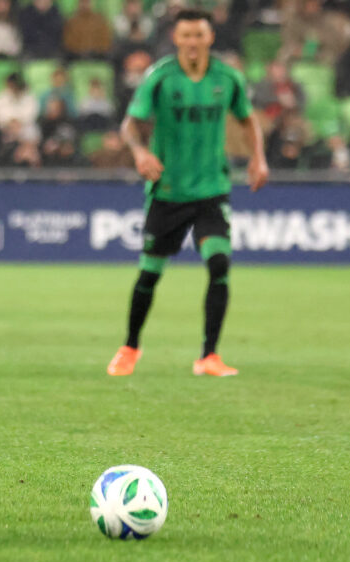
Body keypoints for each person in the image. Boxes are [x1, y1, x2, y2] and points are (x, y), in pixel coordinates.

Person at [107, 9, 269, 378]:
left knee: (219, 265)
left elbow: (247, 119)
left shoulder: (227, 77)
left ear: (210, 37)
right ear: (176, 39)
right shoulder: (161, 77)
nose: (193, 42)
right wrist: (140, 152)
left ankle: (209, 356)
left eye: (199, 35)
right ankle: (130, 347)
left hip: (212, 189)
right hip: (169, 189)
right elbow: (130, 124)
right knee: (150, 273)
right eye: (186, 36)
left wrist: (258, 158)